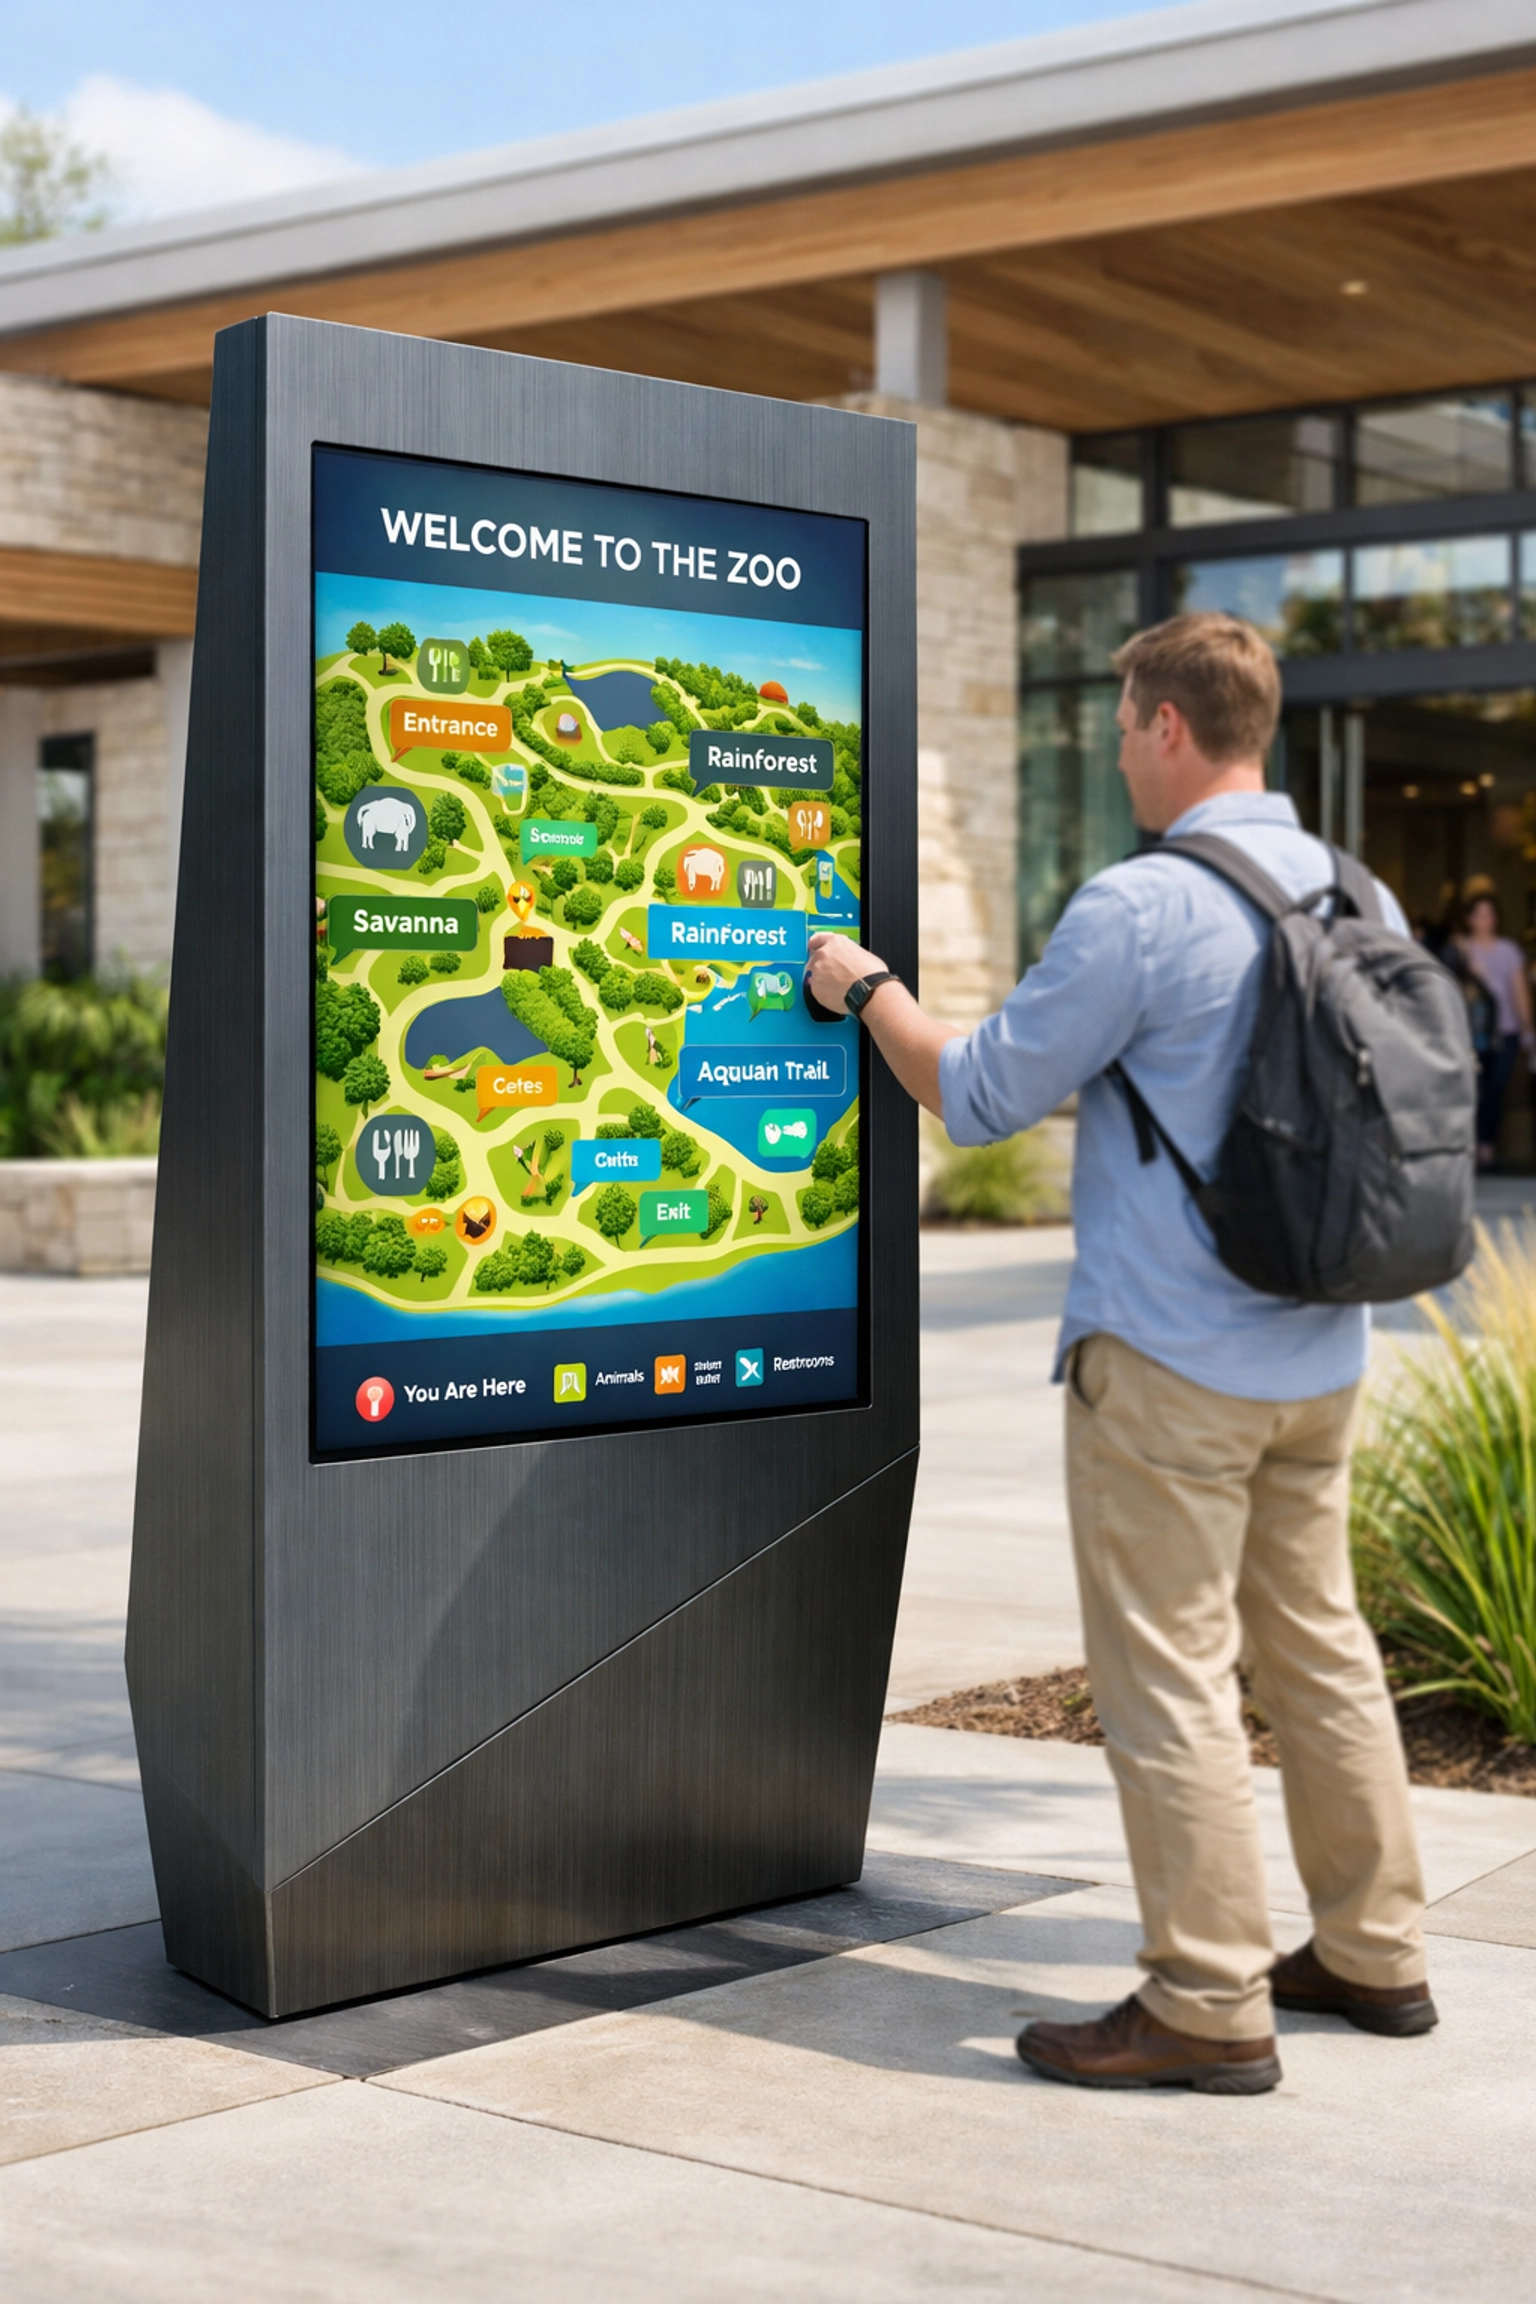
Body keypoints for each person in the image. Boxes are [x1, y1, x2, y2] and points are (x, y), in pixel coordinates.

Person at [805, 610, 1435, 2097]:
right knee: (1323, 1651)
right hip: (1322, 1349)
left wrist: (863, 988)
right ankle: (1375, 1949)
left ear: (1166, 727)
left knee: (1169, 1679)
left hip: (1170, 1366)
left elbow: (974, 1094)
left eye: (1119, 727)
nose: (1114, 755)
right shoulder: (1360, 886)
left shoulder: (1143, 906)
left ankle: (1209, 2002)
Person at [1451, 889, 1532, 1167]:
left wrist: (1527, 1028)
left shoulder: (1509, 950)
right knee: (1473, 1088)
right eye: (1480, 914)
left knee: (1496, 1088)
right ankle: (1469, 1143)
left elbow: (1518, 990)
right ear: (1470, 919)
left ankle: (1487, 1143)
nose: (1486, 920)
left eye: (1490, 914)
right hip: (1471, 1030)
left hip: (1506, 1029)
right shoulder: (1461, 948)